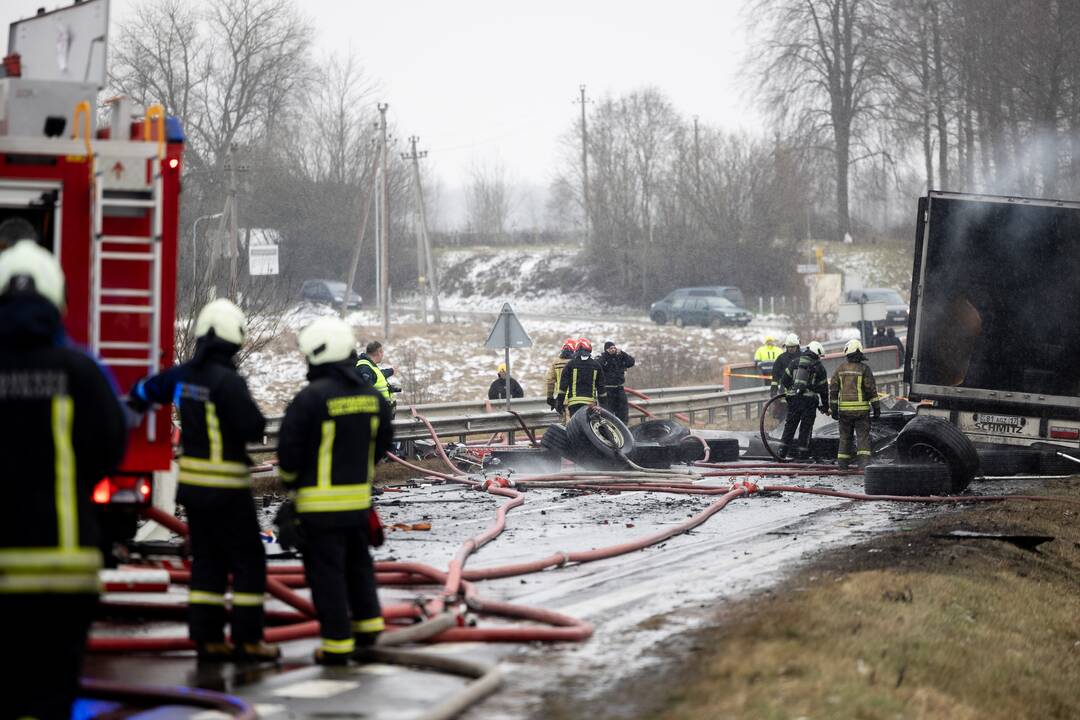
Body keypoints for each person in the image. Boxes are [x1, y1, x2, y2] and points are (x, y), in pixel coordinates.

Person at [0, 241, 127, 720]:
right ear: (58, 300)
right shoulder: (82, 371)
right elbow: (110, 446)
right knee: (52, 695)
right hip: (64, 565)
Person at [129, 299, 277, 662]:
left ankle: (207, 637)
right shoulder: (228, 381)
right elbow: (253, 426)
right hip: (227, 488)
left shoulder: (182, 377)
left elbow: (143, 393)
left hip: (194, 490)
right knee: (248, 561)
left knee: (207, 561)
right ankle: (248, 639)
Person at [277, 317, 394, 665]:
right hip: (359, 505)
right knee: (359, 567)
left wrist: (293, 489)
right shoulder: (372, 398)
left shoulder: (310, 398)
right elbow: (382, 444)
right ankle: (369, 628)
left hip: (318, 509)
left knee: (327, 575)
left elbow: (288, 456)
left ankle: (337, 645)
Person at [829, 338, 881, 469]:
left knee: (845, 438)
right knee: (863, 438)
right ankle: (864, 466)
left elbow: (833, 390)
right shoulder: (864, 369)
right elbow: (871, 390)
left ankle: (842, 465)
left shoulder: (840, 369)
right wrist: (876, 408)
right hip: (861, 412)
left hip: (844, 412)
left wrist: (834, 409)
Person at [778, 340, 829, 459]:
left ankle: (781, 453)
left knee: (789, 426)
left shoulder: (794, 362)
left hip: (793, 400)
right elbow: (824, 390)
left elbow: (784, 380)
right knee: (806, 428)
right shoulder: (819, 367)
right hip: (809, 402)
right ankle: (803, 455)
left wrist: (793, 390)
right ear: (816, 354)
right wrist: (825, 406)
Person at [557, 337, 605, 418]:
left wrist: (559, 403)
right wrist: (604, 405)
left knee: (576, 427)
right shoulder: (596, 365)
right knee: (589, 425)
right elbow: (601, 388)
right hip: (590, 403)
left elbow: (563, 386)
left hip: (574, 403)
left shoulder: (570, 365)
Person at [599, 341, 635, 423]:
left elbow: (631, 362)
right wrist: (606, 355)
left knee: (623, 413)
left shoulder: (619, 357)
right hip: (608, 390)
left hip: (619, 389)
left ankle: (624, 428)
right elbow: (598, 364)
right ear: (606, 350)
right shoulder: (603, 358)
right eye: (610, 348)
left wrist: (622, 353)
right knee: (608, 414)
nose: (613, 350)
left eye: (614, 348)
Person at [356, 340, 397, 412]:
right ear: (379, 353)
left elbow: (378, 376)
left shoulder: (368, 365)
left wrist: (391, 371)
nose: (383, 355)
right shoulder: (365, 368)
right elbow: (364, 391)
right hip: (375, 413)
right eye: (382, 352)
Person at [545, 338, 576, 419]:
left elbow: (550, 381)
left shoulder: (556, 362)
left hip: (561, 398)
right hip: (575, 398)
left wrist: (550, 397)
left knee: (565, 424)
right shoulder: (577, 362)